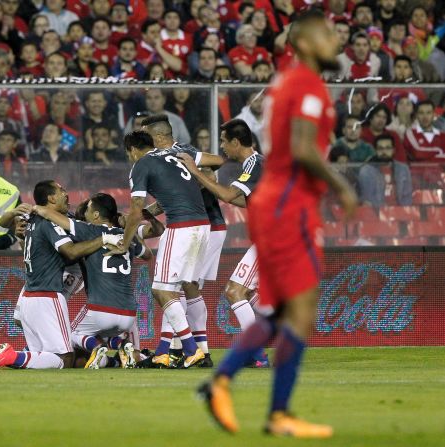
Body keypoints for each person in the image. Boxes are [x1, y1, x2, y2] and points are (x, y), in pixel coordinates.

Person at [198, 11, 357, 437]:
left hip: (276, 206)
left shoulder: (285, 83)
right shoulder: (306, 85)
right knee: (297, 312)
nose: (335, 40)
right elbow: (304, 149)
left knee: (285, 311)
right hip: (290, 207)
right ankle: (269, 406)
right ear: (303, 42)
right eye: (326, 34)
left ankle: (228, 386)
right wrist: (342, 187)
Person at [0, 180, 121, 370]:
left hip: (43, 282)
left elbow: (5, 223)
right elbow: (71, 251)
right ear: (50, 198)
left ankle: (8, 354)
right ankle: (12, 355)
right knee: (63, 354)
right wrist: (13, 214)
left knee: (35, 325)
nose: (66, 194)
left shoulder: (51, 218)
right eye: (61, 191)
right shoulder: (49, 221)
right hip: (49, 284)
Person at [29, 192, 160, 369]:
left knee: (69, 334)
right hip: (128, 315)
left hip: (100, 310)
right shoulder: (125, 236)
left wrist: (39, 208)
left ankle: (97, 348)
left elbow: (59, 220)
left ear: (96, 215)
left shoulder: (89, 231)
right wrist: (128, 234)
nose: (86, 215)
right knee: (92, 345)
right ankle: (123, 347)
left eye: (88, 210)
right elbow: (147, 254)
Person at [114, 130, 210, 369]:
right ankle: (165, 352)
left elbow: (137, 208)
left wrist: (124, 243)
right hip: (202, 226)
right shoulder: (171, 157)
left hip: (181, 227)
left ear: (133, 150)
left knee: (161, 290)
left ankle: (191, 350)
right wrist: (149, 213)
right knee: (174, 290)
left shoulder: (141, 164)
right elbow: (176, 194)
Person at [178, 118, 269, 368]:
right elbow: (242, 201)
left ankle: (258, 354)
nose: (222, 147)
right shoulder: (259, 163)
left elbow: (229, 195)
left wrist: (197, 173)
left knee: (233, 291)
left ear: (236, 142)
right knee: (248, 294)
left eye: (223, 141)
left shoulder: (254, 163)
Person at [139, 114, 225, 367]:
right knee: (183, 288)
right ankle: (174, 350)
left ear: (158, 136)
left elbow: (217, 161)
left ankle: (183, 350)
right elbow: (215, 162)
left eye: (146, 136)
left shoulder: (179, 153)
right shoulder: (172, 155)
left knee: (170, 288)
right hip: (202, 226)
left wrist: (199, 173)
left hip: (194, 226)